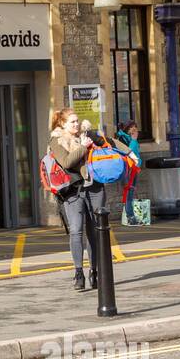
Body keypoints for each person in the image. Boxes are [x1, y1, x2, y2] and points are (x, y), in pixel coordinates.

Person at [48, 108, 105, 291]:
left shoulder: (86, 135)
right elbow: (66, 162)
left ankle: (94, 271)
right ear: (62, 124)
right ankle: (78, 272)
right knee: (76, 231)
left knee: (95, 231)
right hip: (72, 191)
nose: (76, 124)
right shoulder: (56, 140)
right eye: (72, 122)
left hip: (94, 187)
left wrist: (130, 154)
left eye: (77, 121)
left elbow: (109, 142)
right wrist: (83, 147)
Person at [114, 119, 142, 224]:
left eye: (135, 127)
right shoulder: (123, 138)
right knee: (129, 191)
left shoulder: (127, 137)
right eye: (131, 127)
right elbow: (129, 152)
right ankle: (131, 217)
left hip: (133, 168)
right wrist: (134, 140)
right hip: (128, 169)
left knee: (130, 191)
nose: (134, 129)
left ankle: (129, 215)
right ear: (127, 129)